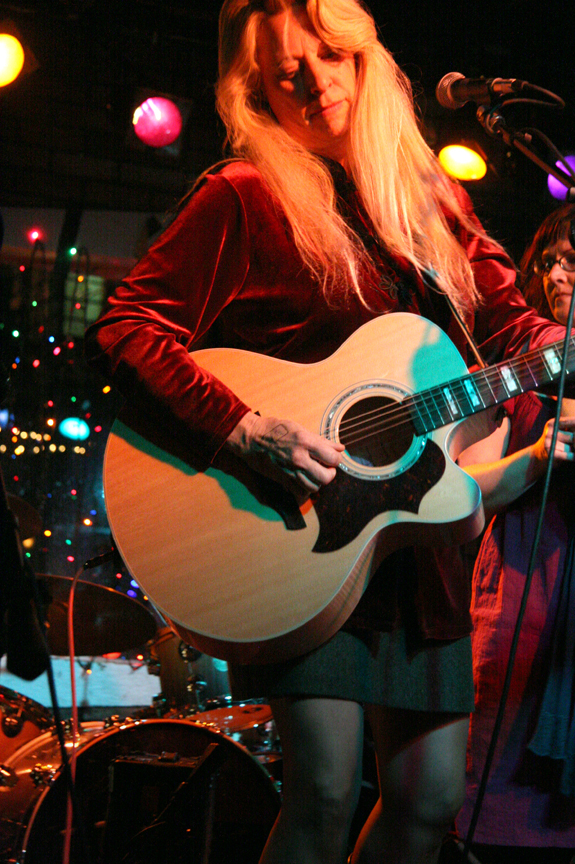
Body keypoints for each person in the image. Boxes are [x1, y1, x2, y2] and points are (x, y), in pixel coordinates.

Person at [84, 2, 571, 861]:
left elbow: (512, 327)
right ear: (261, 96)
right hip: (298, 533)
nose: (314, 81)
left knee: (430, 802)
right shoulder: (244, 194)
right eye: (286, 73)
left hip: (417, 541)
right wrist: (243, 429)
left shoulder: (430, 198)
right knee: (326, 789)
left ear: (365, 60)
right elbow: (128, 327)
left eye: (330, 56)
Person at [456, 204, 575, 861]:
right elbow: (458, 491)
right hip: (527, 596)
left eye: (572, 261)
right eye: (549, 262)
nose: (556, 275)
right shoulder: (519, 373)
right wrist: (534, 458)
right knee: (506, 813)